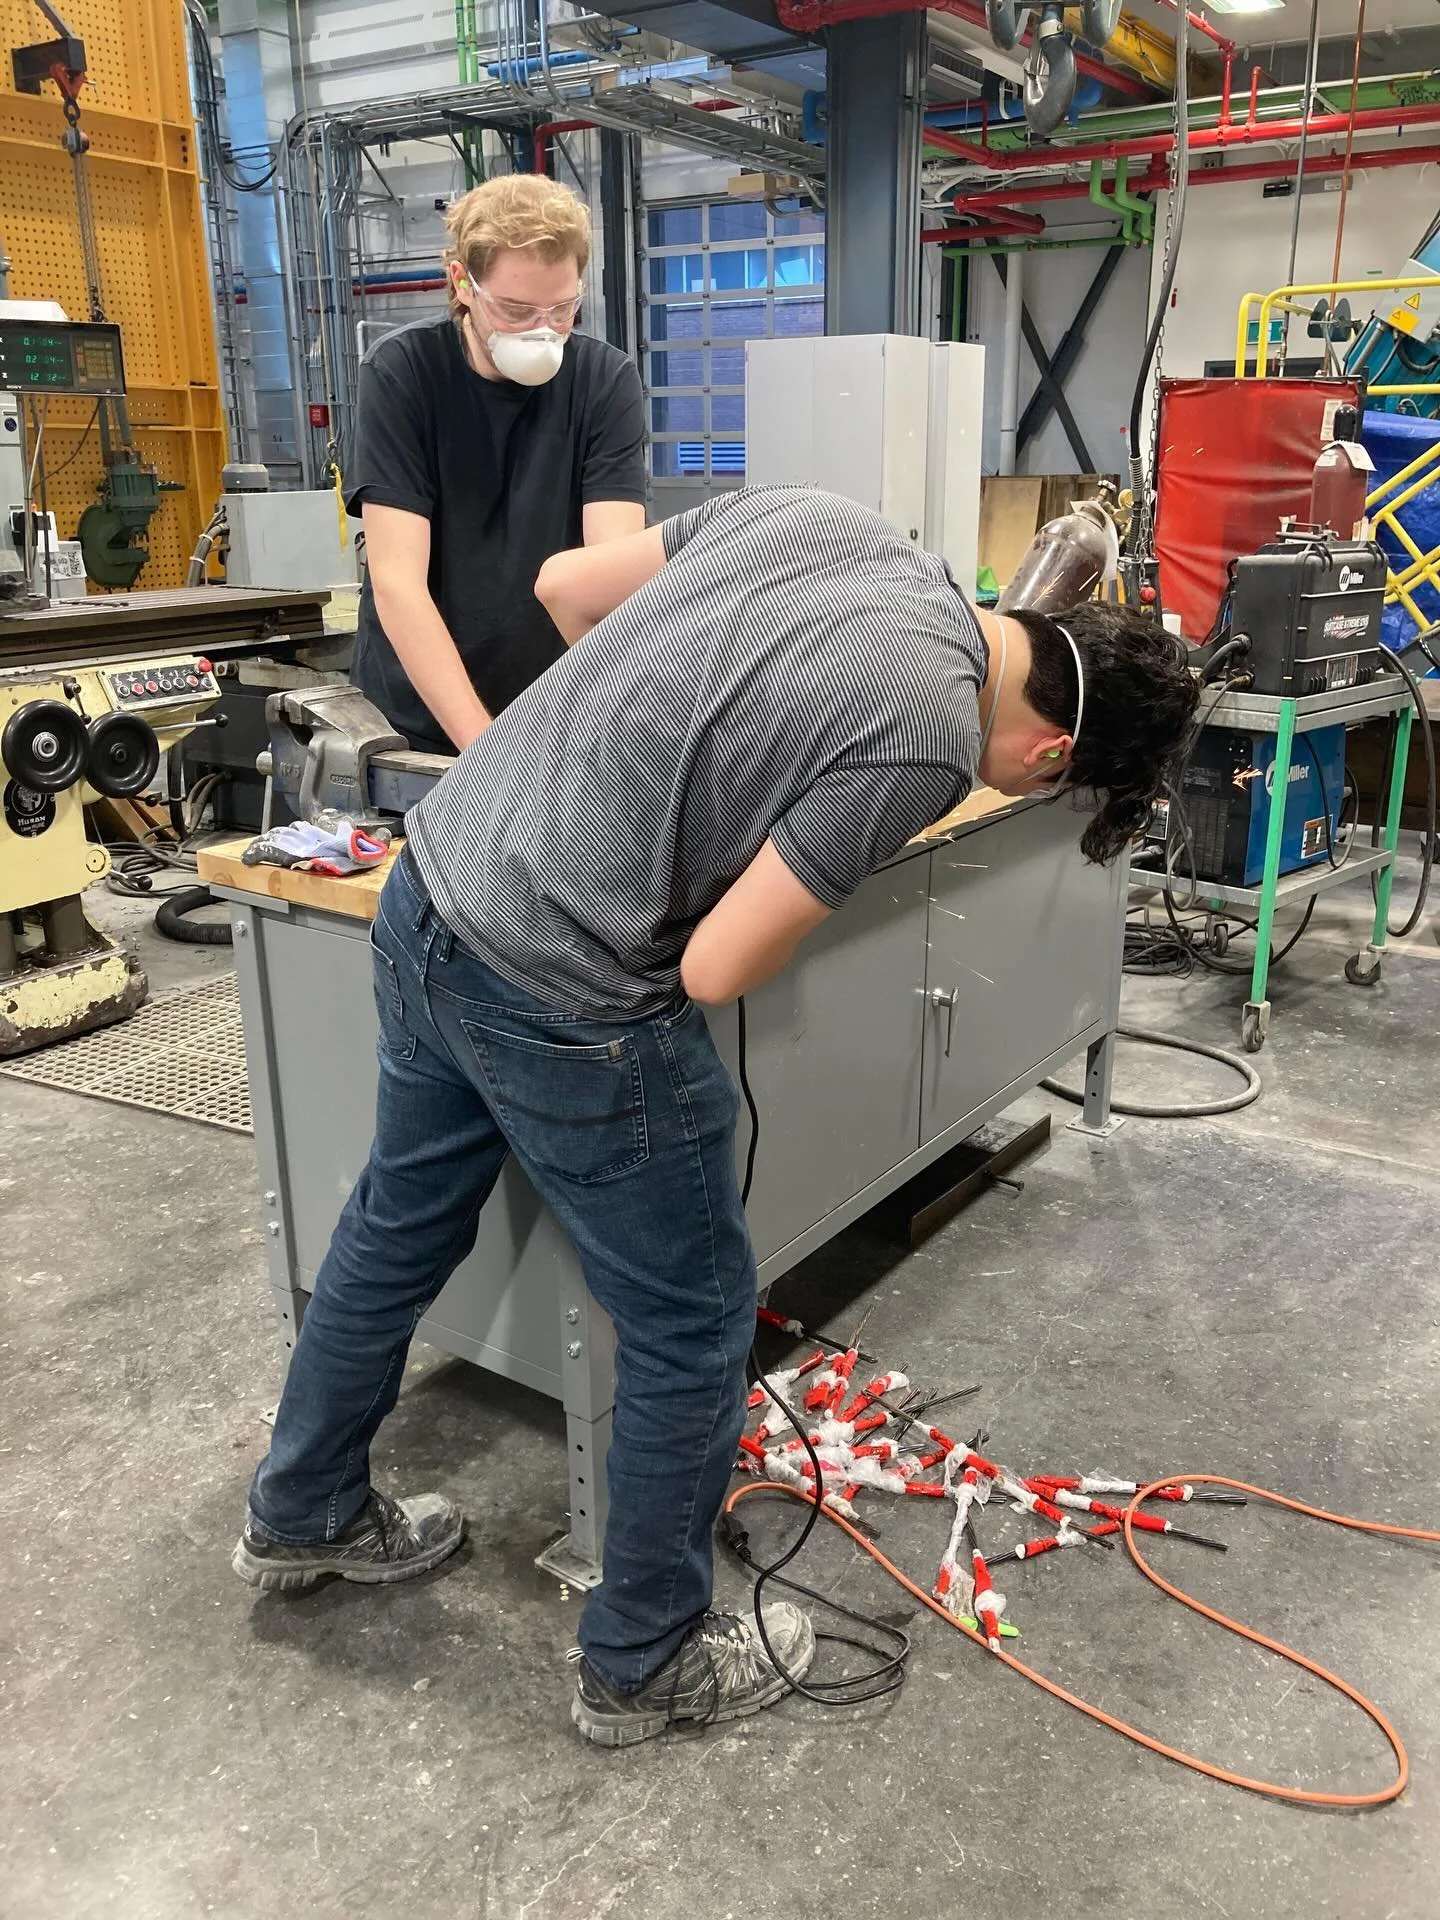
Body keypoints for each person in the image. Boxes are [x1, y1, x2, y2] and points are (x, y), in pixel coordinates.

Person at [233, 485, 1200, 1748]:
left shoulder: (836, 520)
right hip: (564, 987)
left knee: (397, 1220)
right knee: (692, 1318)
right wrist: (678, 831)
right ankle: (642, 1661)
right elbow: (713, 969)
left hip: (444, 882)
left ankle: (299, 1509)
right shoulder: (920, 735)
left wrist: (639, 777)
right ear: (1054, 758)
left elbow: (569, 591)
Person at [345, 173, 646, 755]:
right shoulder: (404, 373)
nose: (543, 329)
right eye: (515, 309)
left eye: (562, 308)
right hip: (420, 721)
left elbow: (610, 580)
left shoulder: (604, 382)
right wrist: (488, 757)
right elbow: (398, 582)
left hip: (554, 716)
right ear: (462, 283)